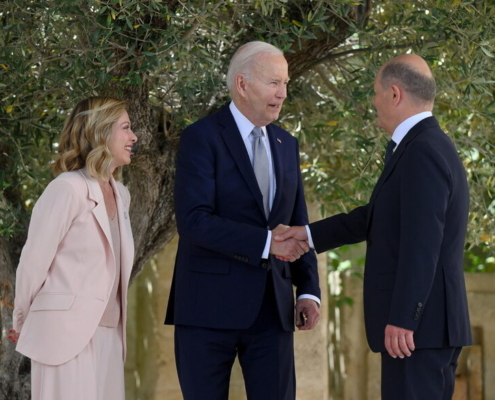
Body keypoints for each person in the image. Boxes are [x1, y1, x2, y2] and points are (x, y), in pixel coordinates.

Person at [276, 54, 471, 399]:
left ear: (395, 94)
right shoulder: (422, 145)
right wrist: (308, 234)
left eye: (376, 92)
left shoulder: (422, 150)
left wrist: (405, 317)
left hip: (417, 331)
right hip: (425, 330)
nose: (373, 101)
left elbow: (423, 243)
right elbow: (377, 217)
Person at [165, 41, 321, 400]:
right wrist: (266, 243)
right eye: (274, 83)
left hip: (274, 311)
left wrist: (308, 290)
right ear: (242, 84)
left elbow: (298, 222)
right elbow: (193, 220)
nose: (283, 93)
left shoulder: (287, 143)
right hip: (206, 310)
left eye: (285, 83)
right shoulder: (200, 137)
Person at [8, 97, 138, 400]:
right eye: (125, 127)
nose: (133, 137)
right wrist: (22, 322)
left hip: (110, 334)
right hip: (63, 335)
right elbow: (33, 262)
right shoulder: (67, 188)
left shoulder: (122, 195)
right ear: (101, 132)